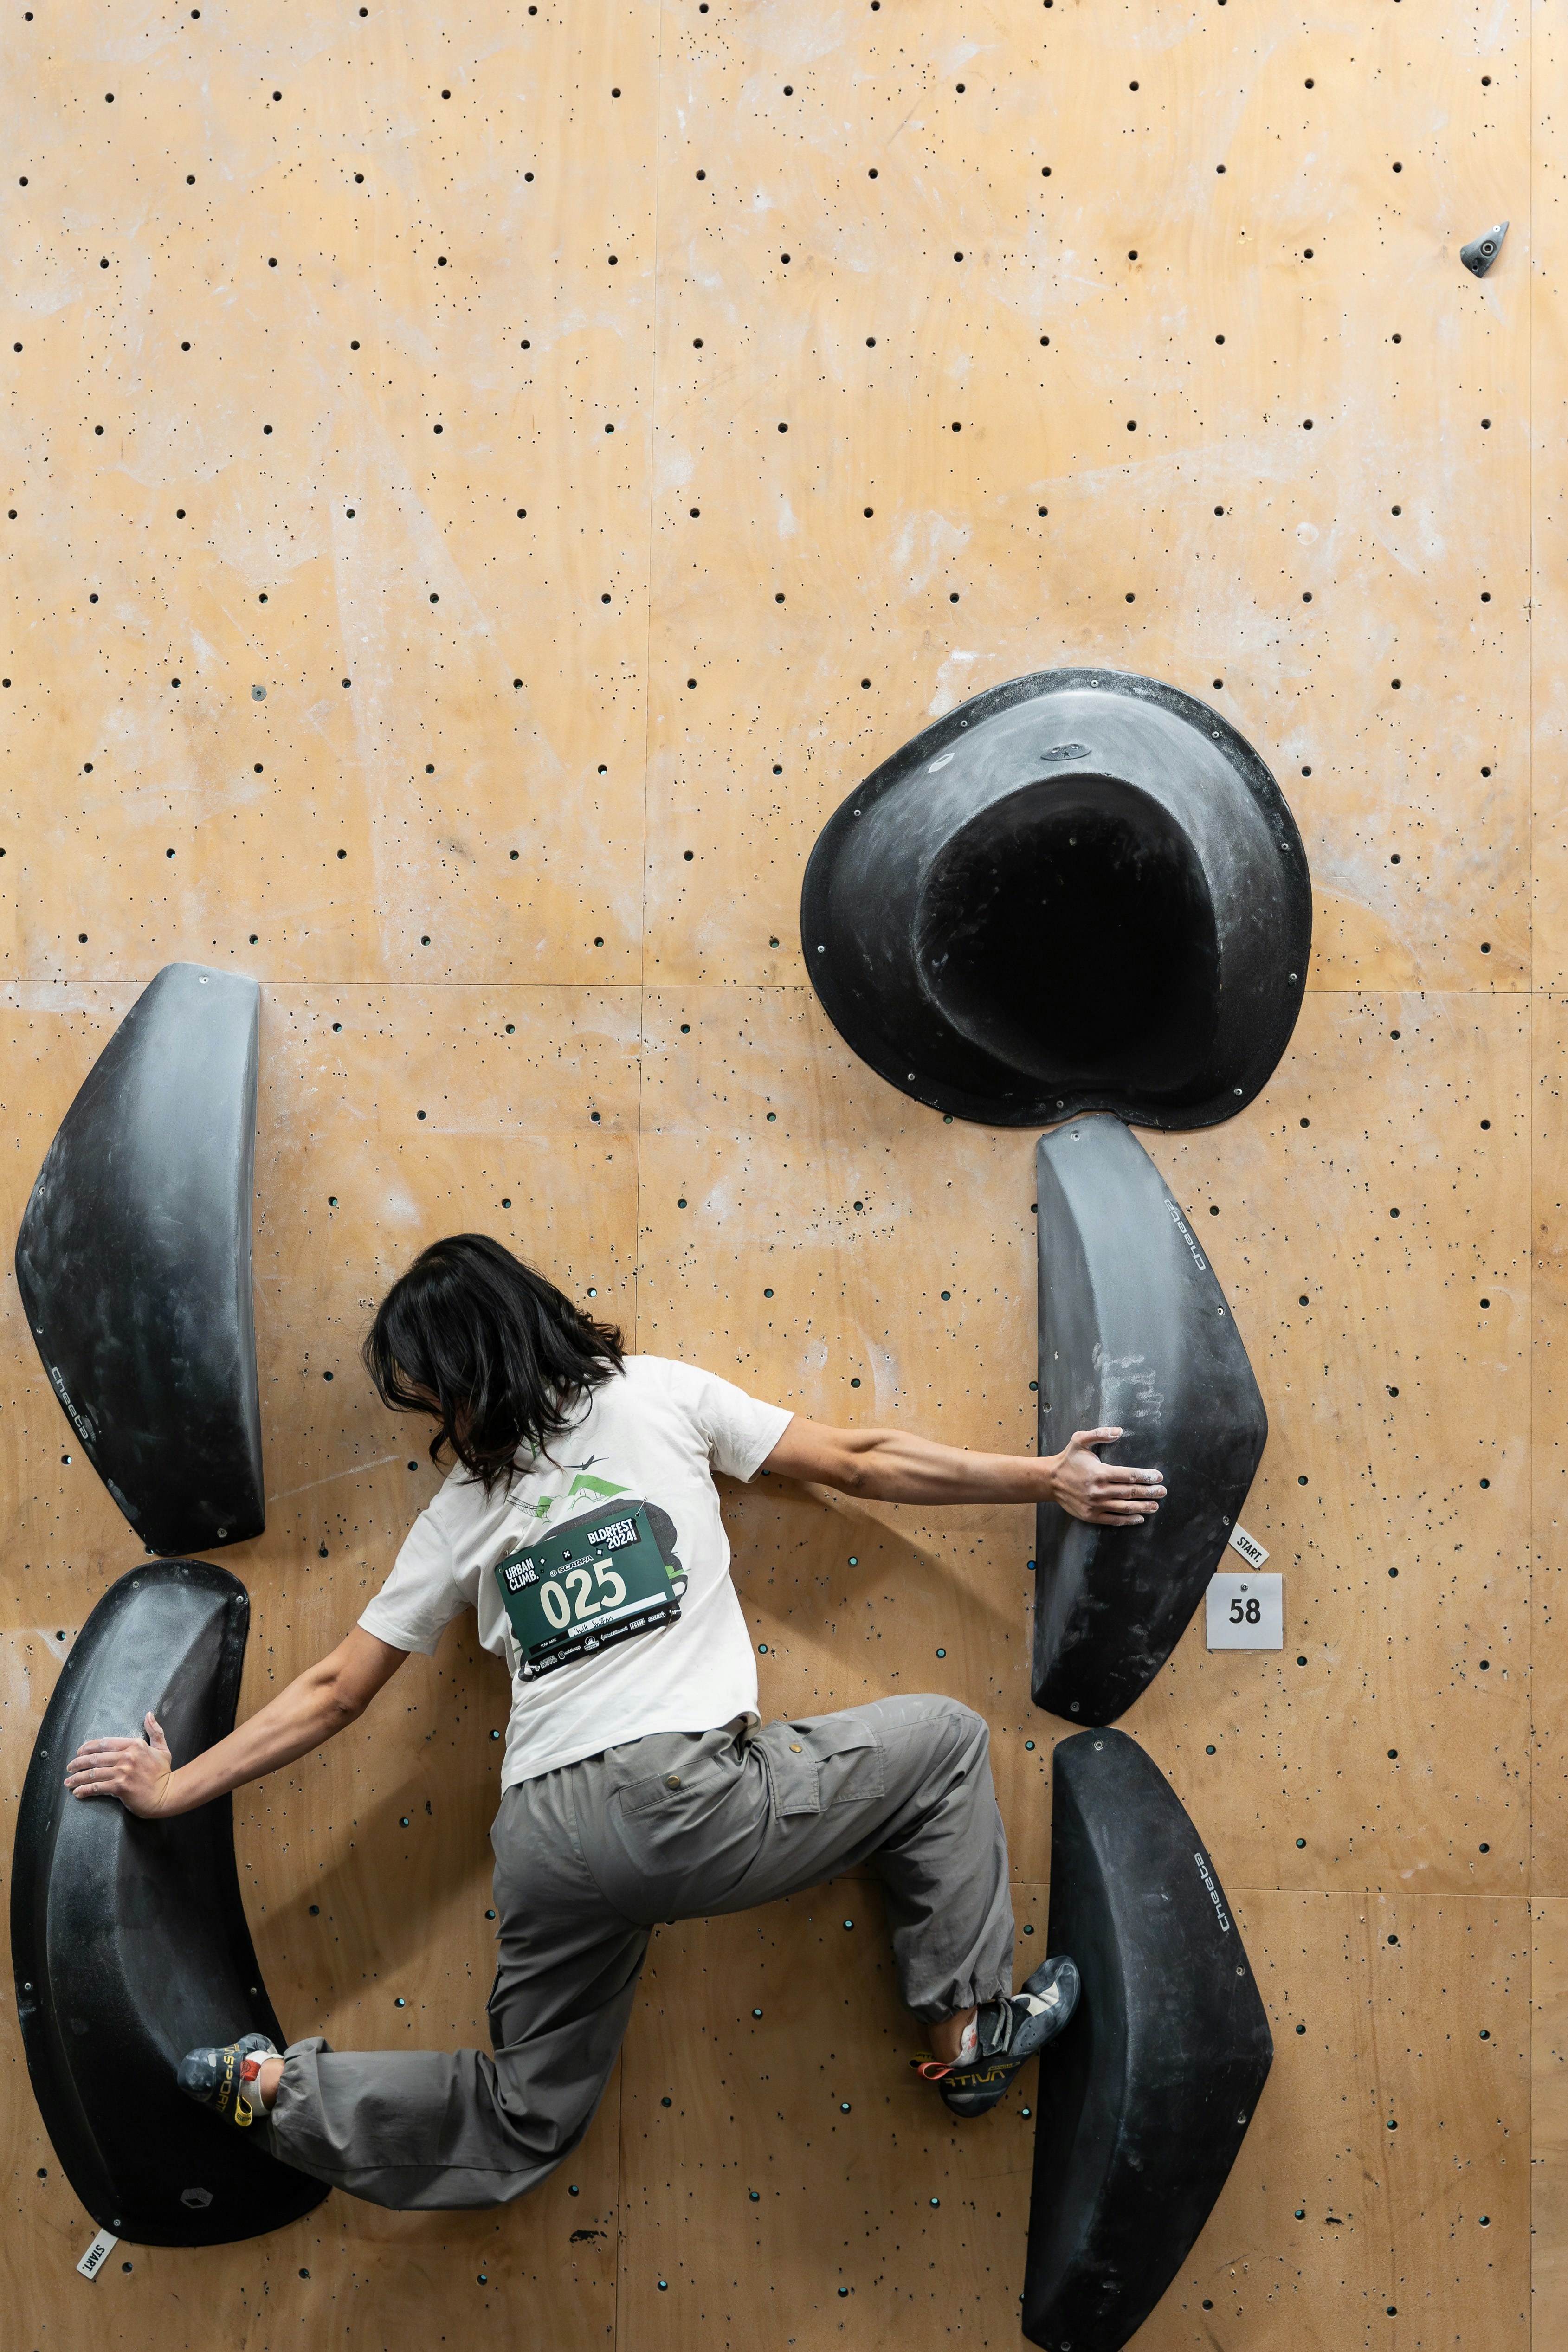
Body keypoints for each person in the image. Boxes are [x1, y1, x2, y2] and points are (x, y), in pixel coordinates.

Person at [64, 1234, 1166, 2210]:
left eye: (433, 1392)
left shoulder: (462, 1512)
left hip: (543, 1841)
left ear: (472, 1367)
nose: (439, 1422)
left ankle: (276, 2091)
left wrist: (175, 1788)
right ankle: (967, 2035)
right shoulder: (658, 1396)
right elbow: (859, 1461)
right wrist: (1044, 1480)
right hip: (685, 1801)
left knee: (529, 2114)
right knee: (943, 1743)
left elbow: (335, 1691)